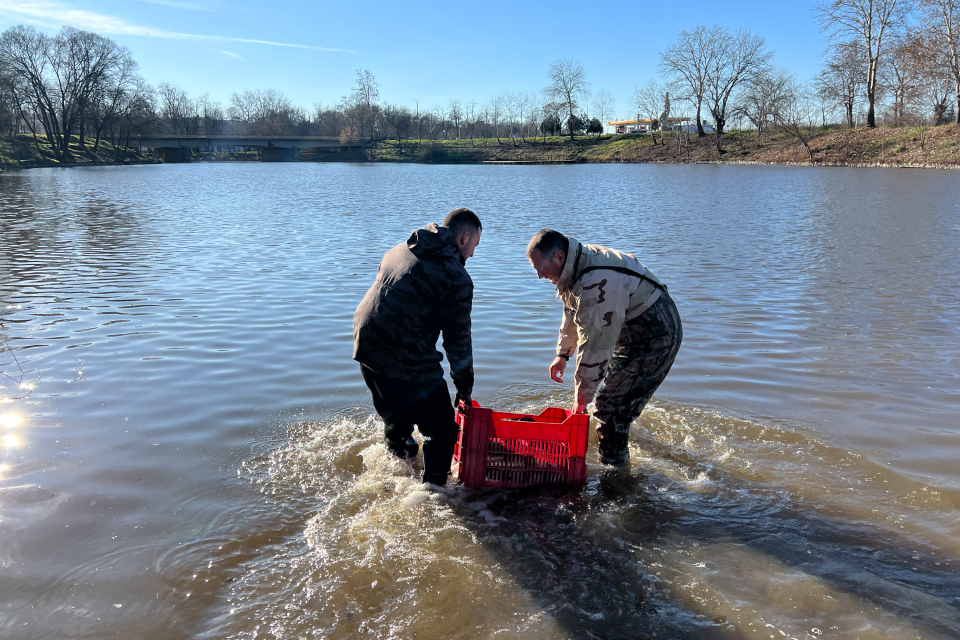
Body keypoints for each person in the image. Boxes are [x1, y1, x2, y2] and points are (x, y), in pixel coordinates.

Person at [526, 229, 682, 466]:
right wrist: (563, 354)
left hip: (656, 335)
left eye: (541, 268)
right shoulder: (574, 266)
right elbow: (573, 312)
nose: (539, 275)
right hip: (630, 330)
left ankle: (616, 477)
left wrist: (581, 398)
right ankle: (618, 450)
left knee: (610, 410)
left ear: (558, 257)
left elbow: (596, 345)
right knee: (612, 401)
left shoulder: (596, 281)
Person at [353, 208, 481, 486]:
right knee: (445, 430)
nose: (472, 255)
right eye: (474, 247)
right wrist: (464, 388)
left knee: (397, 421)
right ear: (465, 237)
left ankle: (398, 469)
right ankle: (435, 496)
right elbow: (458, 342)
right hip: (403, 358)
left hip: (366, 349)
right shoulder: (455, 277)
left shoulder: (400, 249)